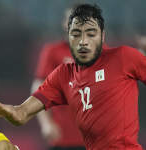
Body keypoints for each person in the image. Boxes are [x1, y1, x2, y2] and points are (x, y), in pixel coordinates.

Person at [0, 3, 146, 150]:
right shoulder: (63, 75)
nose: (83, 41)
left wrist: (144, 52)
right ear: (68, 36)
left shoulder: (123, 57)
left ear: (103, 36)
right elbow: (22, 114)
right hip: (69, 143)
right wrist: (12, 112)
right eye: (76, 34)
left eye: (90, 34)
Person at [31, 8, 85, 150]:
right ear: (65, 24)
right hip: (62, 137)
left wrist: (144, 54)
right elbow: (39, 89)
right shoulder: (53, 52)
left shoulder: (100, 53)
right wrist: (46, 123)